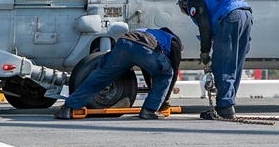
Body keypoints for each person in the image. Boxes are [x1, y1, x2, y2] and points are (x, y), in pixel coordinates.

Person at [55, 27, 183, 120]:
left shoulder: (152, 32)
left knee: (101, 76)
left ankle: (68, 108)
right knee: (165, 75)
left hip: (123, 43)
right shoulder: (173, 42)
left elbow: (147, 71)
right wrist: (164, 101)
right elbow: (173, 72)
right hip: (145, 50)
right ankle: (148, 111)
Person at [178, 0, 253, 120]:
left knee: (222, 64)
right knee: (234, 64)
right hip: (246, 15)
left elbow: (204, 25)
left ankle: (224, 107)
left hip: (230, 16)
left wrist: (204, 52)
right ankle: (227, 103)